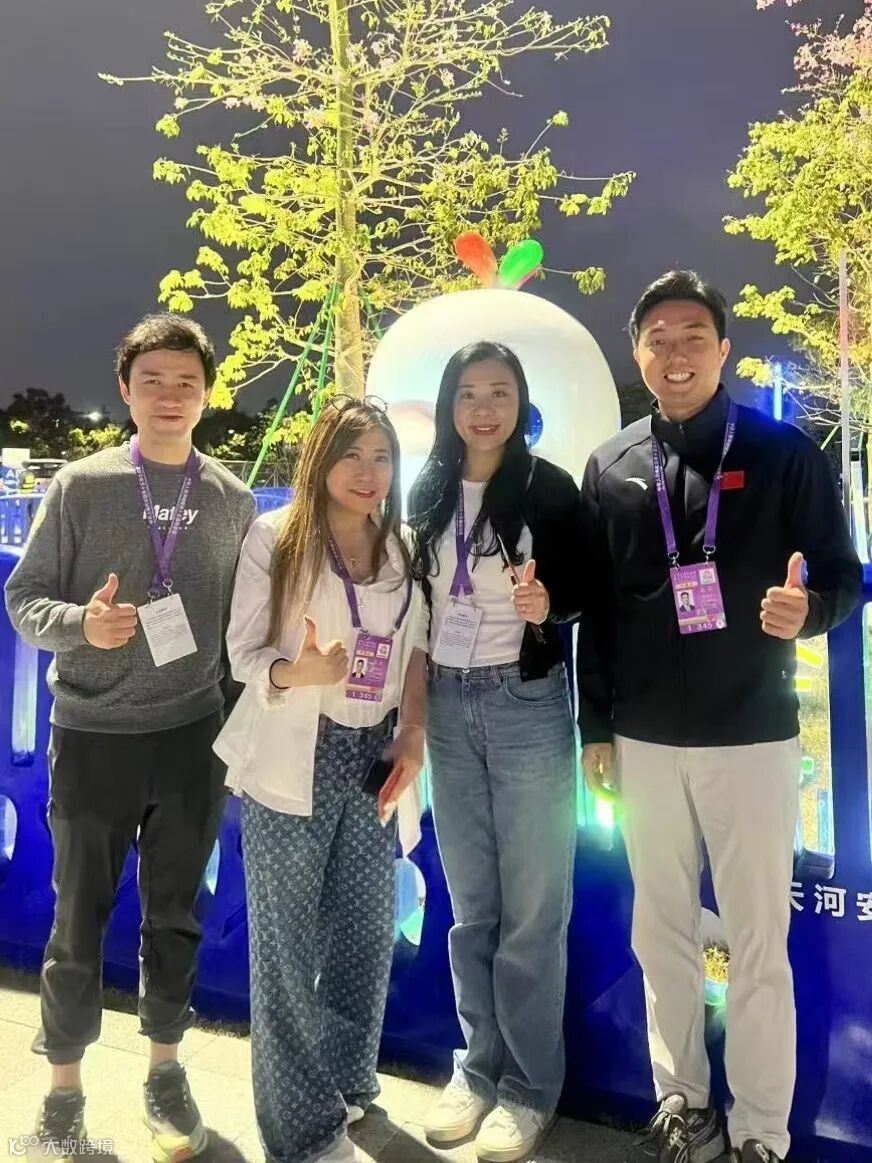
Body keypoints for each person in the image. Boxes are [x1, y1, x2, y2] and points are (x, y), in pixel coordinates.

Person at [577, 271, 861, 1163]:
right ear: (637, 354)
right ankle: (683, 1102)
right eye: (657, 338)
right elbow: (598, 611)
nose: (676, 353)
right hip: (645, 738)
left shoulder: (784, 453)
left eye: (693, 335)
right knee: (659, 927)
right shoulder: (611, 466)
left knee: (756, 938)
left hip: (752, 734)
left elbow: (842, 575)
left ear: (723, 349)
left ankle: (761, 1129)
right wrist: (594, 729)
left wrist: (807, 612)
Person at [4, 313, 256, 1160]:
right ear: (125, 388)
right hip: (93, 734)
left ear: (208, 394)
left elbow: (241, 628)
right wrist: (82, 623)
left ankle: (164, 1073)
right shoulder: (80, 487)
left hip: (191, 738)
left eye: (187, 382)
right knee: (76, 920)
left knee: (175, 917)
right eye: (153, 380)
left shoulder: (231, 500)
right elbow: (24, 598)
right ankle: (63, 1098)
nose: (170, 396)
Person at [215, 395, 428, 1163]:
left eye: (382, 457)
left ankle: (346, 1081)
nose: (368, 473)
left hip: (374, 758)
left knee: (364, 933)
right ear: (319, 461)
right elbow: (243, 652)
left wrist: (412, 733)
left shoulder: (402, 545)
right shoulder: (275, 539)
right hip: (293, 754)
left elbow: (415, 650)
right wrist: (295, 670)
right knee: (285, 949)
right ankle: (300, 1133)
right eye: (351, 455)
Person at [409, 341, 580, 1163]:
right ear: (450, 402)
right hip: (446, 701)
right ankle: (476, 1069)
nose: (483, 408)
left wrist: (551, 603)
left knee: (533, 910)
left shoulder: (549, 487)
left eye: (500, 392)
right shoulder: (429, 488)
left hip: (525, 701)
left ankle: (530, 1088)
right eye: (469, 392)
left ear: (521, 402)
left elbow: (586, 587)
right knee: (473, 904)